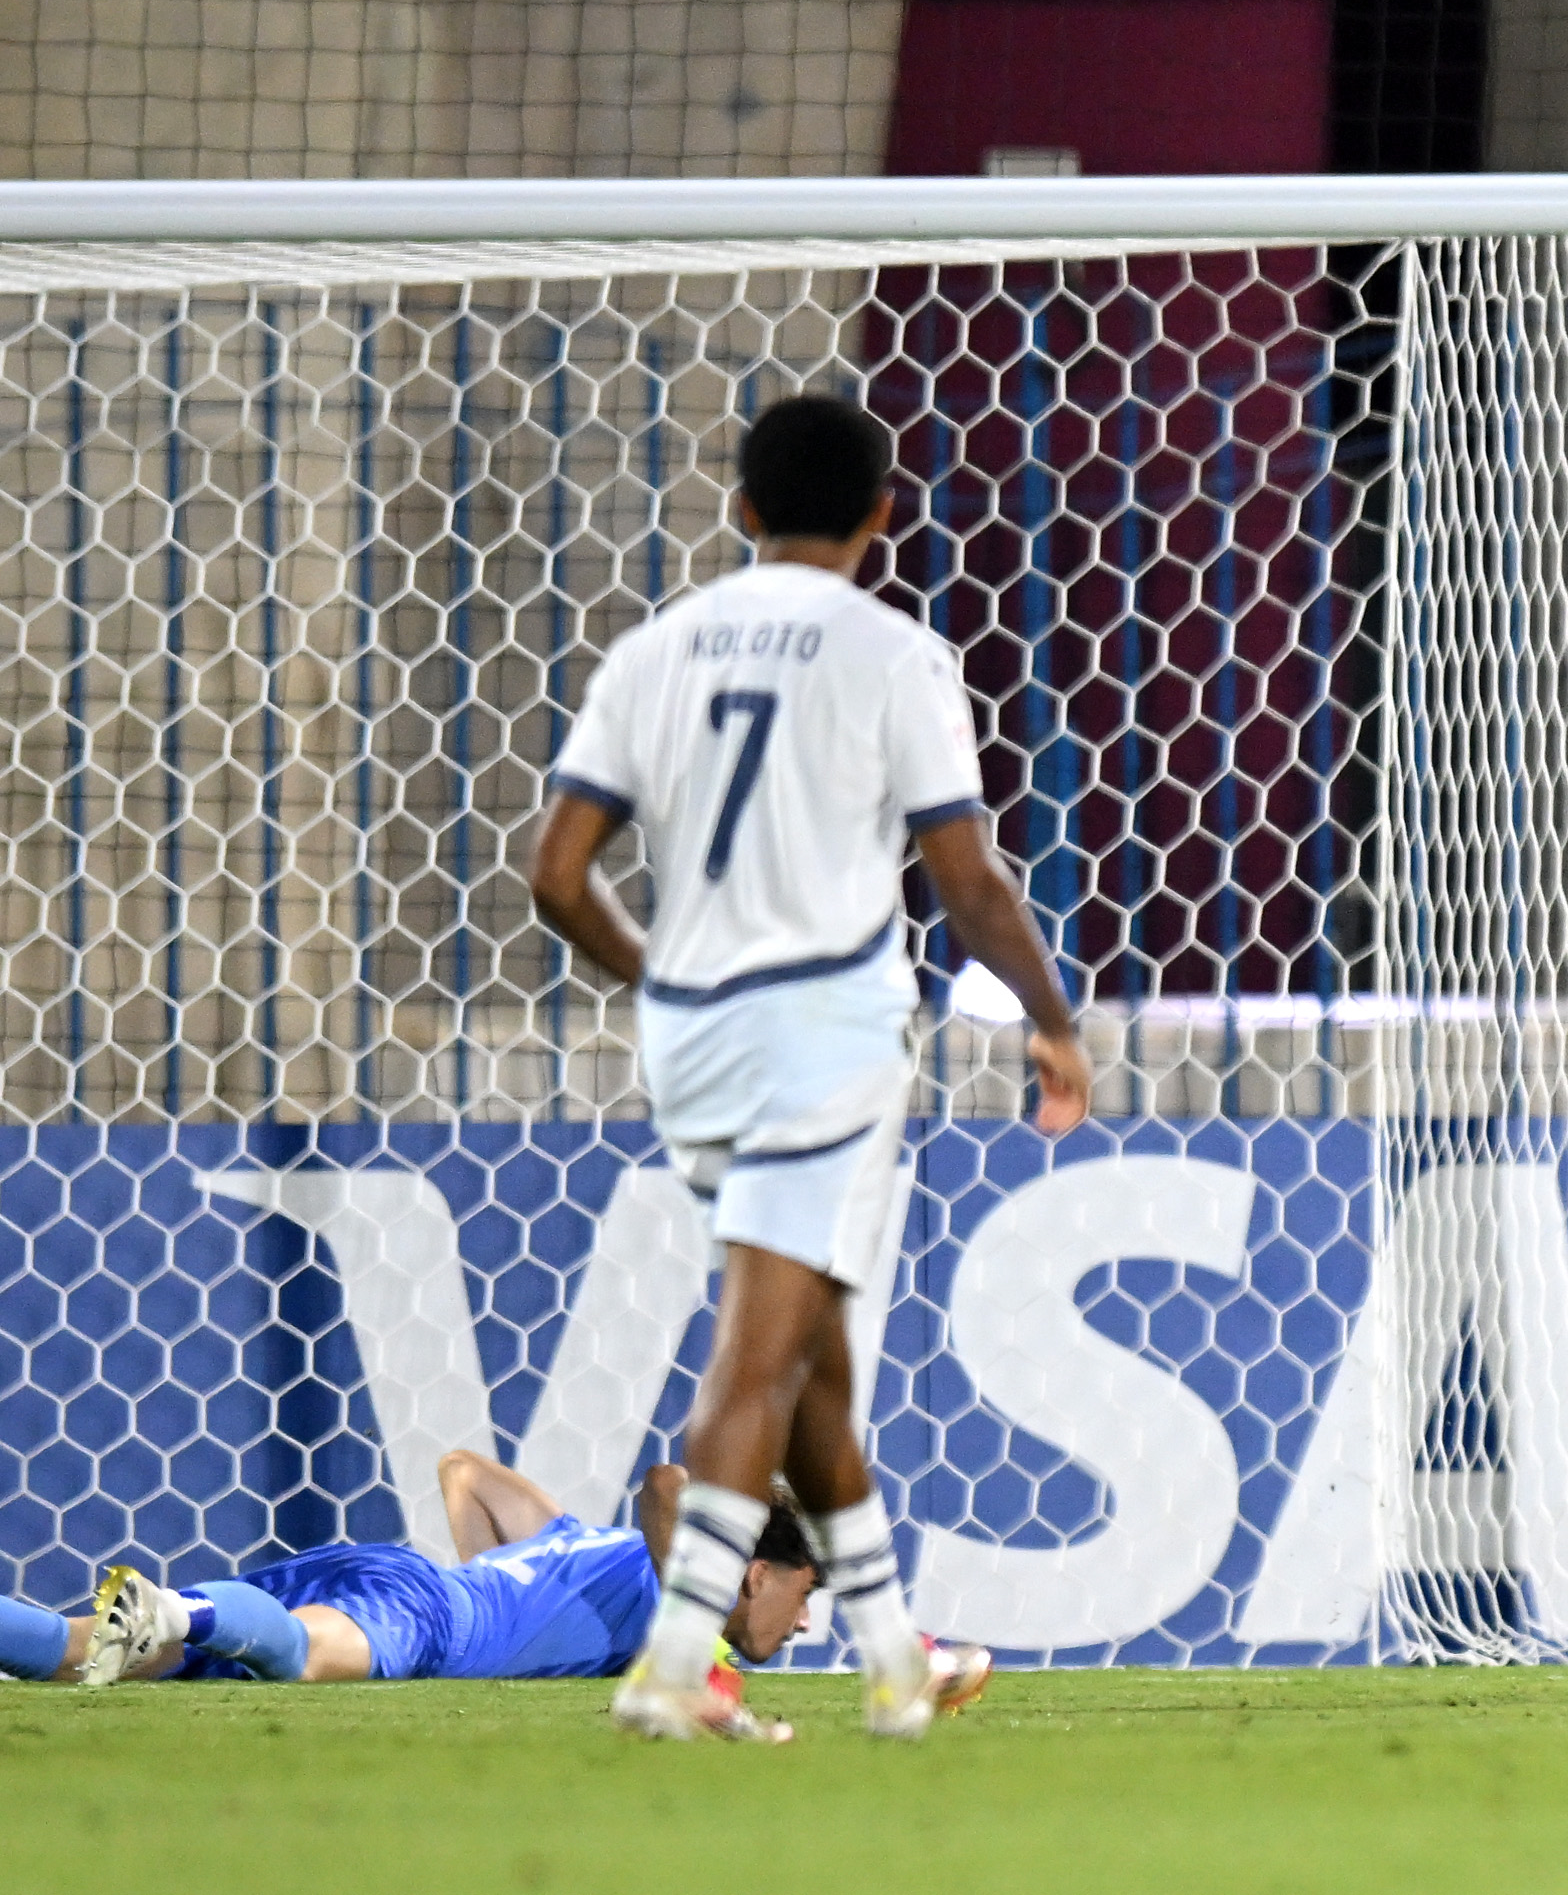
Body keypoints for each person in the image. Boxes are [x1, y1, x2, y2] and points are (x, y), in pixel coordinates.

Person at [529, 392, 1090, 1741]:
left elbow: (555, 876)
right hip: (823, 1036)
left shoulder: (656, 650)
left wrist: (660, 974)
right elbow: (967, 881)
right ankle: (676, 1662)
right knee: (762, 1346)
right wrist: (1052, 1018)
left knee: (814, 1346)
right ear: (884, 516)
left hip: (696, 1040)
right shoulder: (895, 655)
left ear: (743, 508)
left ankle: (896, 1657)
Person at [0, 1450, 905, 1736]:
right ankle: (177, 1609)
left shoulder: (585, 1544)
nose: (805, 1623)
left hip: (395, 1577)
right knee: (301, 1659)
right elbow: (668, 1481)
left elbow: (465, 1473)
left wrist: (492, 1607)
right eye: (805, 1592)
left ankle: (173, 1619)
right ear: (754, 1572)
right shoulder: (685, 1599)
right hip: (429, 1618)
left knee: (73, 1654)